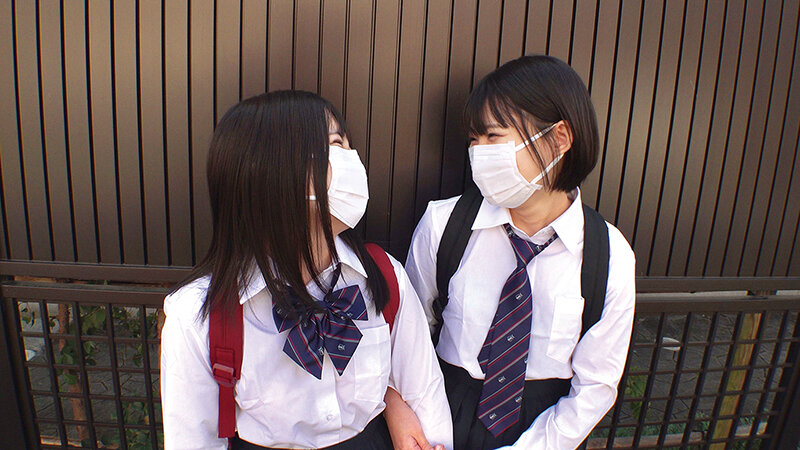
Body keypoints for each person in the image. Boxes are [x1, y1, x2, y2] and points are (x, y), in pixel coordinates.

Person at [160, 90, 452, 450]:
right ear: (268, 172)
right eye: (331, 147)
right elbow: (194, 440)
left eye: (344, 144)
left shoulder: (383, 274)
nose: (349, 160)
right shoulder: (198, 314)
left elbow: (425, 395)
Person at [405, 55, 636, 449]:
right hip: (440, 413)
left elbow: (596, 386)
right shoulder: (444, 225)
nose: (479, 152)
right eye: (473, 140)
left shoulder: (609, 254)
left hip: (544, 428)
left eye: (493, 137)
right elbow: (409, 339)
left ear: (559, 138)